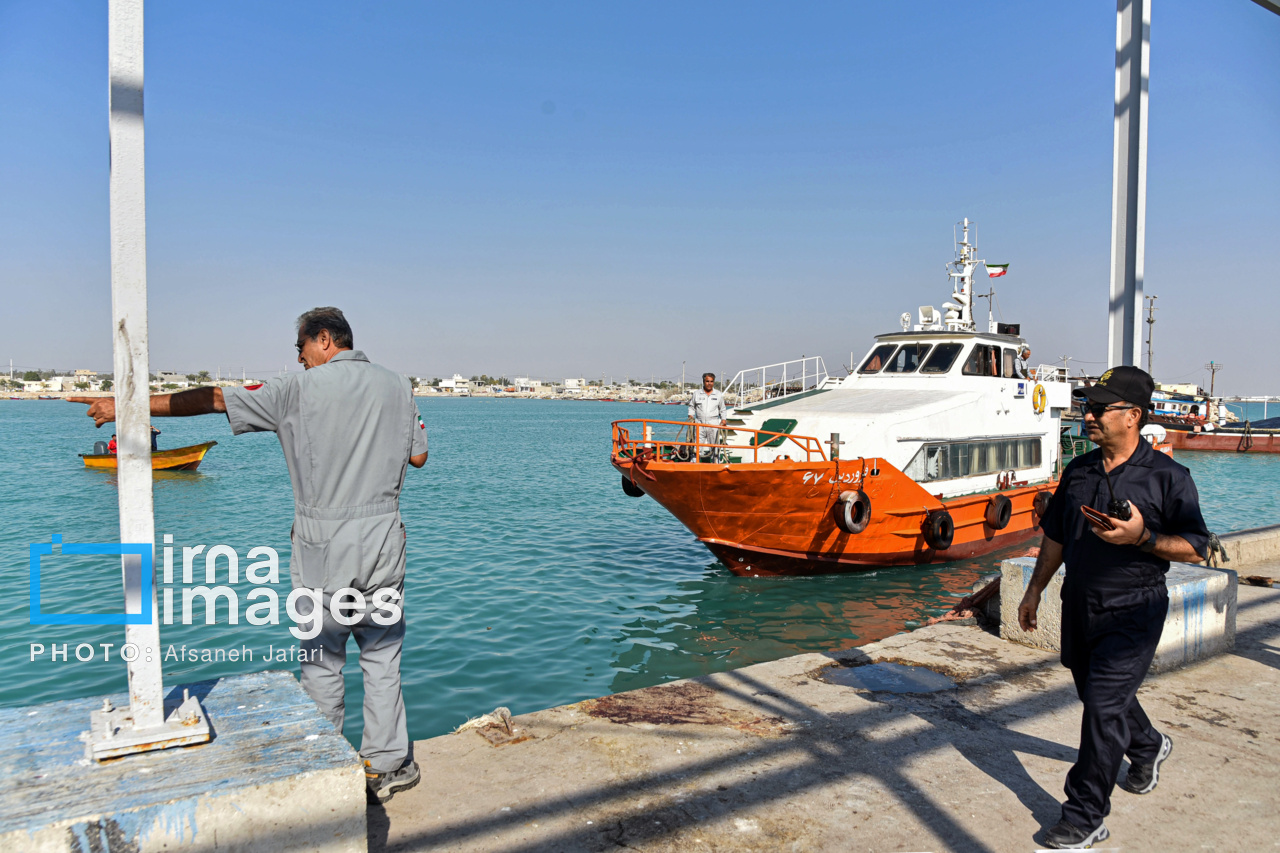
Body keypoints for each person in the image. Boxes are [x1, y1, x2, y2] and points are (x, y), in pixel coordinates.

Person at [70, 307, 428, 805]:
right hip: (384, 537)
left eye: (300, 348)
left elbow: (213, 399)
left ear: (323, 340)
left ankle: (323, 763)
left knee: (322, 661)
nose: (299, 359)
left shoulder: (295, 390)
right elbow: (418, 456)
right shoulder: (398, 385)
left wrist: (129, 405)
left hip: (322, 544)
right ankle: (389, 765)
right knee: (382, 655)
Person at [1017, 365, 1209, 849]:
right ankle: (1148, 744)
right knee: (1103, 700)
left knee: (1102, 708)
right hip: (1079, 603)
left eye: (1100, 408)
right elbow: (1057, 534)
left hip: (1134, 609)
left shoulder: (1169, 477)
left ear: (1133, 416)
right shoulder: (1079, 471)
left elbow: (1195, 548)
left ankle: (1085, 816)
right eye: (1088, 406)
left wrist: (1142, 537)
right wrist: (1035, 589)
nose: (1090, 414)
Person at [687, 372, 727, 462]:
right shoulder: (697, 394)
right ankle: (694, 464)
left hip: (713, 423)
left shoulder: (718, 394)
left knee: (714, 447)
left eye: (711, 381)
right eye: (707, 381)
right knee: (696, 446)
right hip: (699, 423)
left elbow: (723, 409)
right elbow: (691, 406)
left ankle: (716, 464)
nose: (709, 383)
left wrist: (723, 420)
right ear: (703, 382)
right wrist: (690, 416)